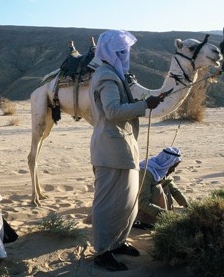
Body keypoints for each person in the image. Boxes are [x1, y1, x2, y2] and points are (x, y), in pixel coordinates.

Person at [89, 29, 163, 271]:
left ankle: (117, 242)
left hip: (121, 148)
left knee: (126, 201)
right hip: (112, 150)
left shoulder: (112, 74)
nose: (125, 54)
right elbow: (112, 111)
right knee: (108, 204)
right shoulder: (107, 76)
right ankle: (102, 251)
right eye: (121, 50)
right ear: (112, 52)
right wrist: (144, 105)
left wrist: (151, 101)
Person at [134, 147, 190, 229]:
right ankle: (148, 221)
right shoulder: (145, 172)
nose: (174, 170)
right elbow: (142, 202)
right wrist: (165, 215)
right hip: (140, 212)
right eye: (173, 167)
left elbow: (174, 190)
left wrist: (189, 206)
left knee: (166, 185)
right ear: (167, 164)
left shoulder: (160, 170)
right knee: (158, 188)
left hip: (157, 211)